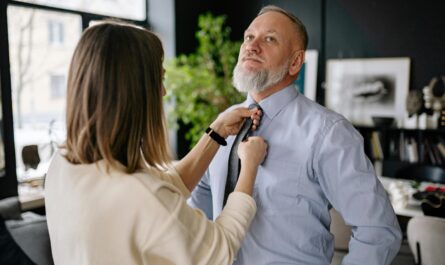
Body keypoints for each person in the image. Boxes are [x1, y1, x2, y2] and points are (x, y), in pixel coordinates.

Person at [189, 5, 402, 265]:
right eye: (248, 37)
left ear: (295, 62)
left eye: (269, 39)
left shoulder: (328, 133)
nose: (251, 46)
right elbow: (202, 193)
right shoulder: (223, 123)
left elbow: (377, 231)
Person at [44, 21, 267, 265]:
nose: (163, 92)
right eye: (158, 80)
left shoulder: (62, 164)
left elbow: (167, 186)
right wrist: (249, 167)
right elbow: (220, 250)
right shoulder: (141, 196)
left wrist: (217, 131)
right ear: (135, 91)